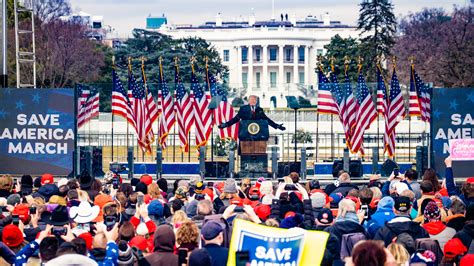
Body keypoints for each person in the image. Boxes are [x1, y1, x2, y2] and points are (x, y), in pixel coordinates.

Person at [218, 95, 285, 130]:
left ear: (256, 101)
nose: (253, 101)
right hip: (245, 132)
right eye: (251, 99)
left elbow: (267, 120)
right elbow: (236, 119)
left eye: (254, 100)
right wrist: (226, 124)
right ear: (248, 101)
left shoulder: (259, 109)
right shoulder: (243, 109)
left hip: (257, 132)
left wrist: (277, 126)